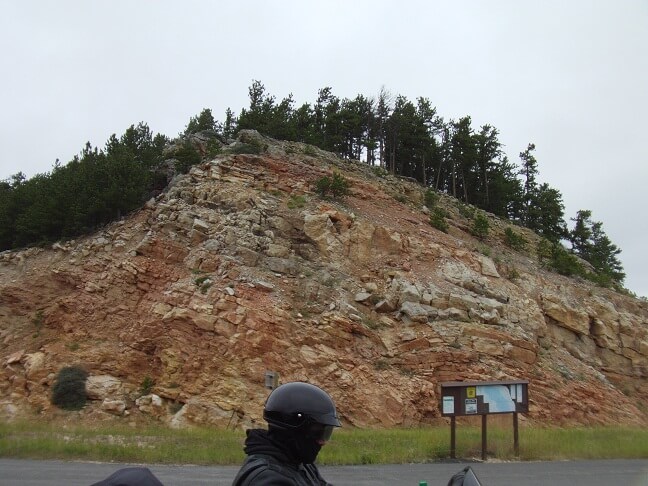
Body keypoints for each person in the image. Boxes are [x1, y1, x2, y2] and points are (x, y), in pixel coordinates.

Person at [232, 381, 341, 485]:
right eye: (318, 433)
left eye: (326, 434)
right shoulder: (267, 478)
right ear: (292, 430)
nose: (322, 442)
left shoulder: (301, 464)